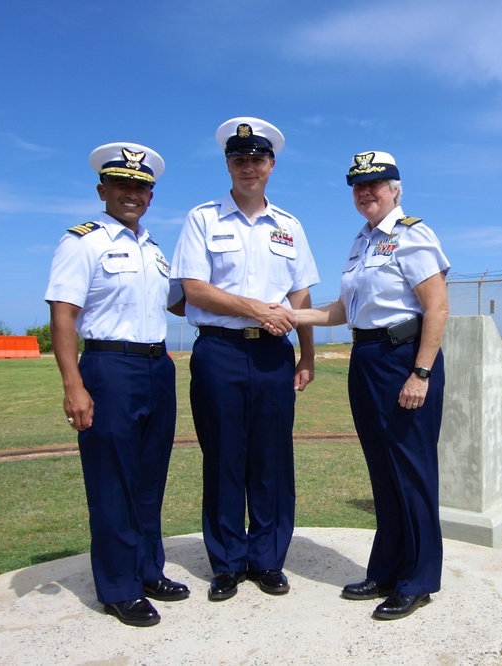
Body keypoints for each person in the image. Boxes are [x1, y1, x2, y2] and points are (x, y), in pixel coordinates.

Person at [270, 150, 450, 620]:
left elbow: (437, 308)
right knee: (383, 471)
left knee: (411, 471)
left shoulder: (412, 235)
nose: (366, 191)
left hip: (403, 357)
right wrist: (290, 315)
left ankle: (418, 579)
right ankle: (387, 569)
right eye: (358, 185)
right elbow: (345, 311)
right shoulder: (362, 242)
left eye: (376, 183)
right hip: (367, 356)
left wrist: (421, 372)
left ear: (395, 187)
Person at [170, 117, 318, 602]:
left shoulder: (290, 227)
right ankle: (228, 563)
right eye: (239, 159)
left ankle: (268, 559)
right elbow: (193, 289)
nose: (248, 167)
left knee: (272, 458)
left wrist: (306, 355)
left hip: (275, 353)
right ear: (228, 165)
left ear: (271, 165)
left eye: (257, 159)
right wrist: (253, 307)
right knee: (224, 457)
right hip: (220, 351)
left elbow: (301, 295)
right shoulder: (203, 219)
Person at [44, 142, 188, 627]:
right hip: (108, 369)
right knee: (112, 482)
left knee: (149, 480)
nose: (132, 193)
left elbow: (180, 303)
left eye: (141, 187)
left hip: (157, 368)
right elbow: (63, 314)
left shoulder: (154, 247)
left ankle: (148, 571)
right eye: (122, 184)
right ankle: (118, 587)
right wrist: (74, 384)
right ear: (102, 189)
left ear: (151, 196)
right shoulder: (82, 241)